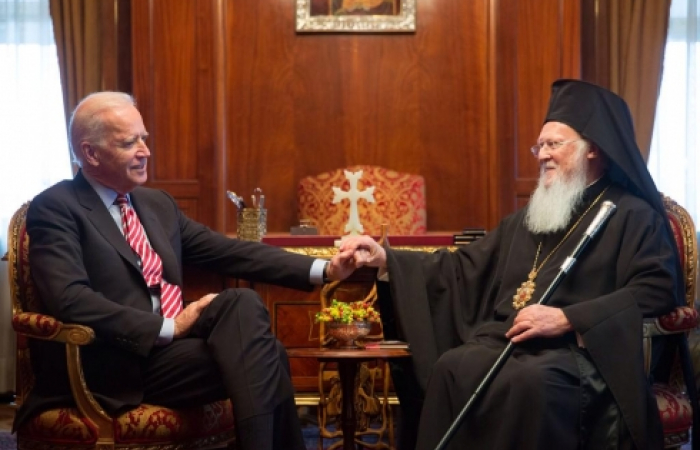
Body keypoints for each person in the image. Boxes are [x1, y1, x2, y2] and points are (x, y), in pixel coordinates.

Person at [332, 79, 688, 450]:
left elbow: (656, 289)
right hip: (513, 341)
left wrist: (568, 318)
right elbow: (463, 268)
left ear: (593, 150)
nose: (541, 154)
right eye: (540, 145)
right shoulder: (531, 218)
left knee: (528, 383)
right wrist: (386, 259)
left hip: (582, 353)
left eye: (553, 144)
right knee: (453, 368)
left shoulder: (634, 215)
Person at [13, 91, 354, 450]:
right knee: (268, 355)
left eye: (144, 138)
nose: (145, 150)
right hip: (110, 362)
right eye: (129, 142)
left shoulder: (156, 204)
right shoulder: (56, 206)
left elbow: (228, 252)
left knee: (241, 304)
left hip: (170, 357)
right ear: (90, 153)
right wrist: (170, 327)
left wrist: (326, 268)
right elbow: (69, 299)